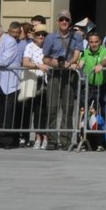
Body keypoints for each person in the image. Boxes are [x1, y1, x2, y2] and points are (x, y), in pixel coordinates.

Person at [41, 11, 84, 150]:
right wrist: (53, 62)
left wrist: (69, 62)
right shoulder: (50, 37)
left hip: (69, 74)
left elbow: (77, 54)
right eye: (61, 20)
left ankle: (66, 140)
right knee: (52, 107)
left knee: (68, 108)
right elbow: (45, 58)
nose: (64, 22)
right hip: (54, 74)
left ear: (70, 22)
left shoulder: (76, 36)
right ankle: (52, 140)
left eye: (66, 20)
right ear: (58, 21)